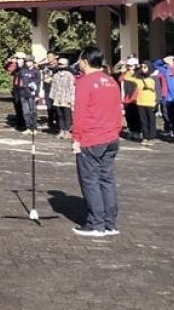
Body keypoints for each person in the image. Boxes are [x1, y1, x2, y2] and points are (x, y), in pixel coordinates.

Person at [71, 46, 122, 237]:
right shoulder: (111, 81)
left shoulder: (84, 82)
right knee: (107, 180)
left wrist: (76, 138)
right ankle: (110, 223)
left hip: (92, 138)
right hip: (111, 137)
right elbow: (118, 109)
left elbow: (80, 112)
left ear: (85, 61)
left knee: (90, 181)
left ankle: (95, 223)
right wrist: (117, 131)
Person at [153, 55, 174, 143]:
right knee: (172, 119)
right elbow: (155, 65)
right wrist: (163, 60)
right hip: (169, 99)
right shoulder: (167, 71)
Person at [49, 58, 75, 140]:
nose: (60, 65)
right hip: (57, 98)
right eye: (59, 64)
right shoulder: (55, 75)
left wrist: (72, 99)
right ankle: (61, 130)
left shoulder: (69, 75)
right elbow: (53, 87)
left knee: (67, 115)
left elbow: (72, 88)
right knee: (59, 115)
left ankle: (67, 131)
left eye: (62, 64)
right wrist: (52, 97)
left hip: (66, 98)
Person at [117, 57, 141, 139]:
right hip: (127, 98)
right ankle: (131, 130)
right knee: (128, 116)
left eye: (131, 65)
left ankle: (137, 131)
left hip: (136, 97)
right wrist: (123, 70)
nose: (129, 67)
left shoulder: (139, 73)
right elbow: (120, 79)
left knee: (136, 115)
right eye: (128, 65)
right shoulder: (126, 73)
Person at [135, 61, 158, 146]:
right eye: (142, 67)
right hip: (141, 102)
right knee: (143, 121)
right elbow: (133, 76)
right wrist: (139, 68)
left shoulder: (153, 78)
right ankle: (145, 137)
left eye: (145, 67)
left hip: (151, 102)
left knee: (151, 121)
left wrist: (157, 102)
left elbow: (157, 90)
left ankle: (152, 137)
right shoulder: (139, 79)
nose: (143, 69)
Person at [17, 57, 41, 134]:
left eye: (29, 61)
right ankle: (28, 127)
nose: (27, 63)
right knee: (25, 111)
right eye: (26, 62)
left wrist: (37, 94)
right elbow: (19, 81)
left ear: (32, 62)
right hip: (23, 94)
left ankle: (34, 127)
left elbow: (38, 83)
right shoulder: (22, 71)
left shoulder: (36, 71)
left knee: (33, 111)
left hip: (32, 94)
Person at [5, 53, 26, 130]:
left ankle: (24, 123)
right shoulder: (15, 66)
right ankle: (19, 123)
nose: (16, 60)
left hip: (23, 88)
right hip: (16, 88)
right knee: (17, 106)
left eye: (17, 58)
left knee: (23, 106)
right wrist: (9, 60)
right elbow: (7, 67)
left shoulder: (26, 67)